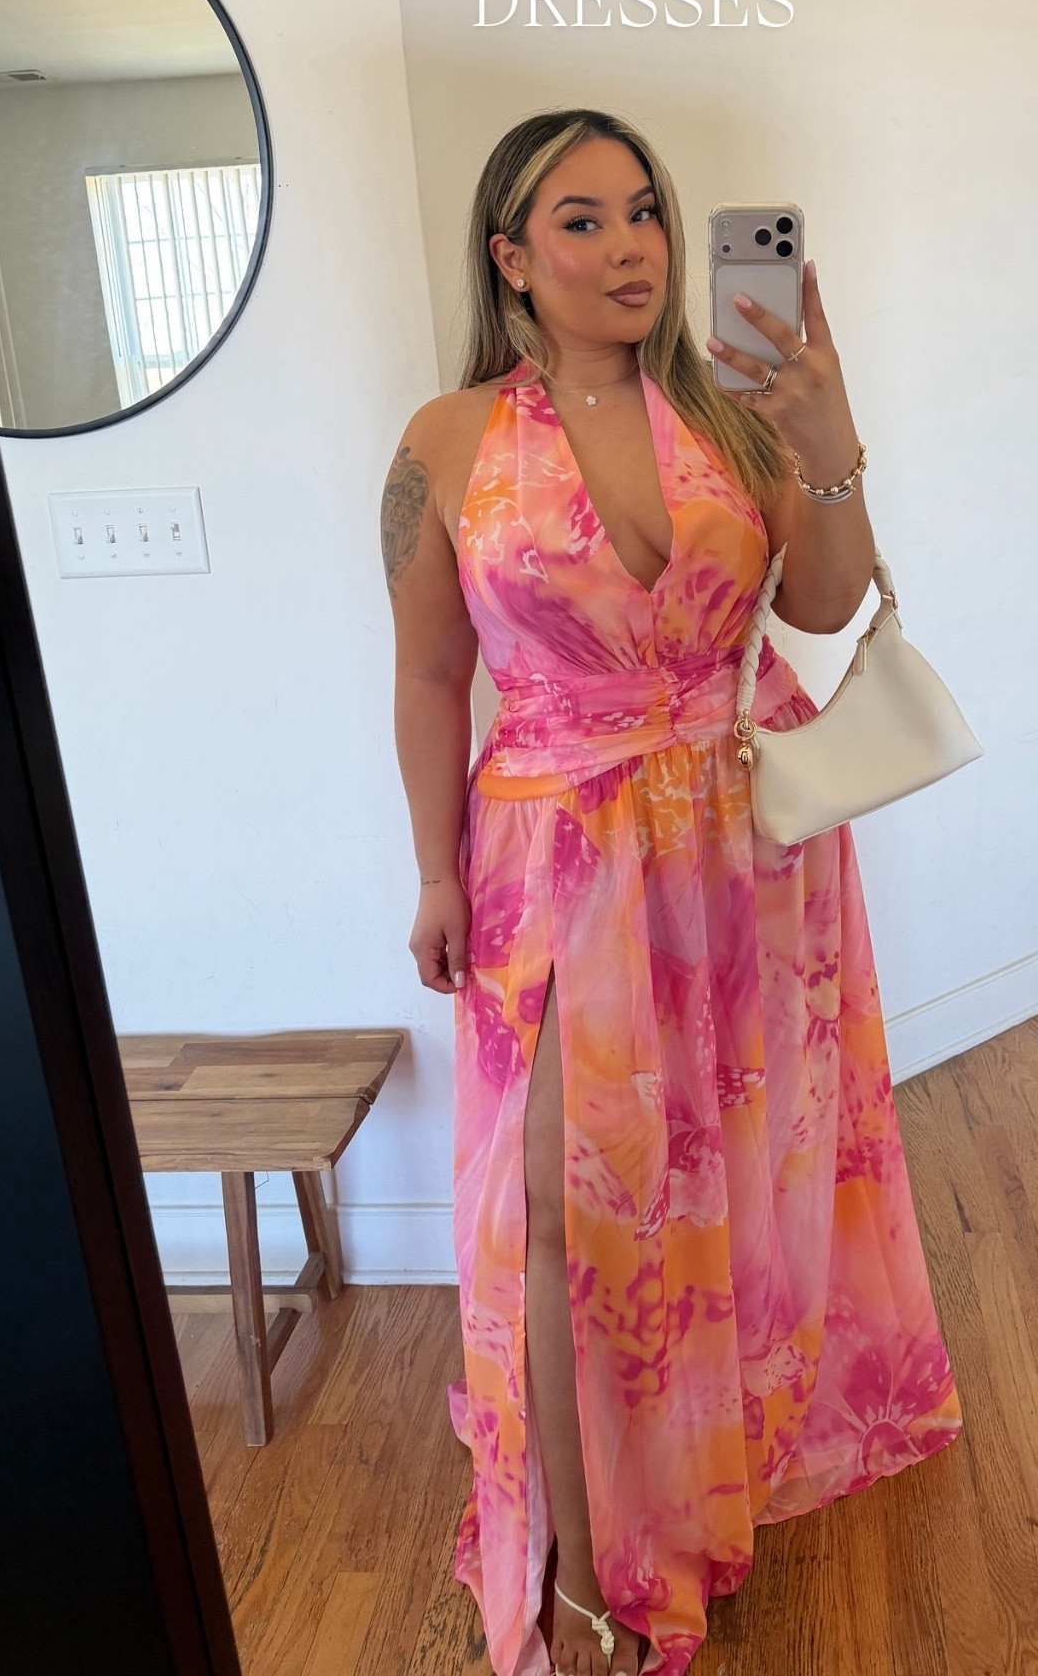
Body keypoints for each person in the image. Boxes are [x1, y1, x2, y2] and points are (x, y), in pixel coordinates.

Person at [381, 109, 963, 1676]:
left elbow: (828, 611)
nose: (630, 246)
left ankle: (706, 1459)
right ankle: (581, 1565)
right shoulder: (447, 437)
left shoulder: (734, 414)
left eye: (644, 211)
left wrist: (824, 424)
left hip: (739, 845)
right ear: (510, 256)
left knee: (723, 1167)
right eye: (580, 220)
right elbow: (430, 673)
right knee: (560, 1206)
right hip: (550, 857)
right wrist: (431, 868)